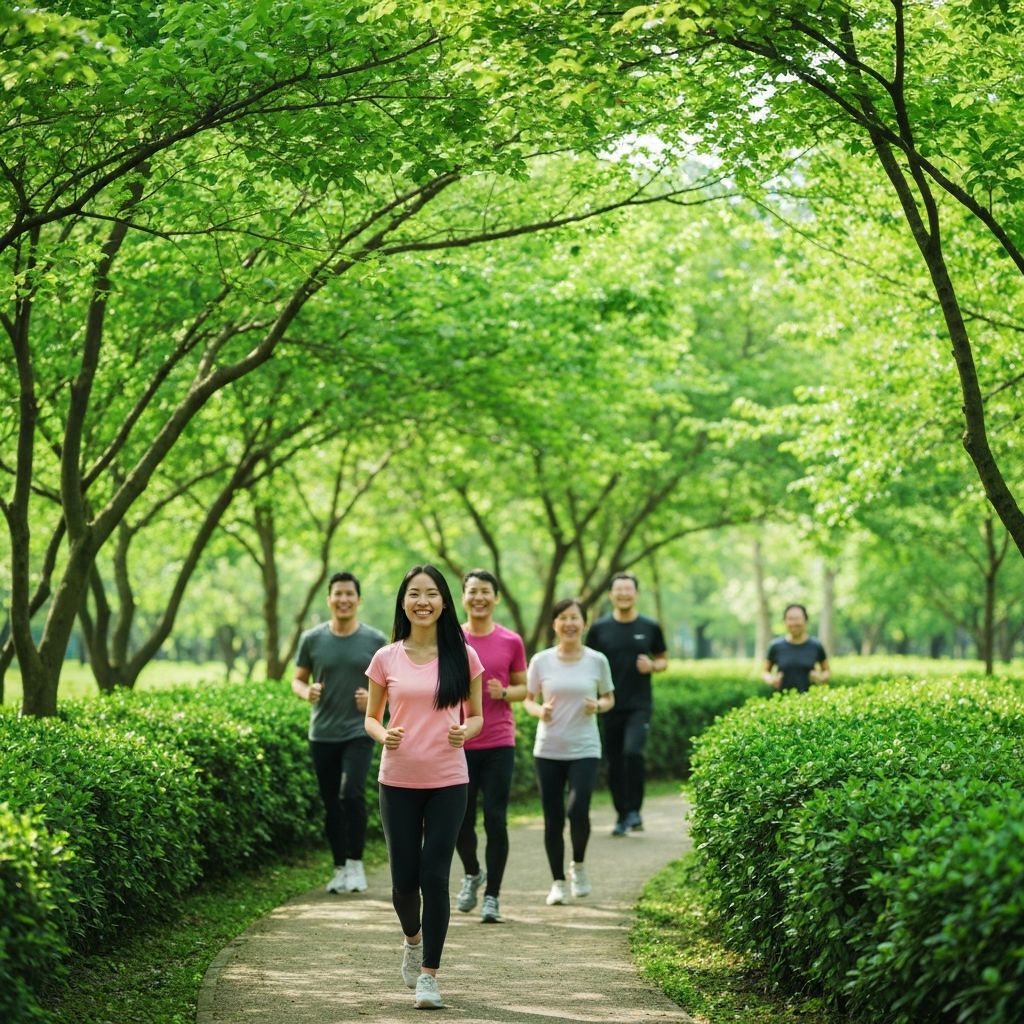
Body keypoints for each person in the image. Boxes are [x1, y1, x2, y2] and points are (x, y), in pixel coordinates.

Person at [364, 564, 484, 1010]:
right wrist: (383, 735)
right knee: (403, 881)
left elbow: (475, 717)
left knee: (435, 875)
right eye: (414, 593)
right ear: (403, 602)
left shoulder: (463, 656)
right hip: (396, 780)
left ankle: (430, 975)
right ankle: (412, 941)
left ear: (444, 603)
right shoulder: (386, 657)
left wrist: (465, 732)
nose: (423, 601)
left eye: (431, 594)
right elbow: (372, 718)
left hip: (449, 780)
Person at [292, 571, 386, 895]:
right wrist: (306, 692)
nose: (344, 599)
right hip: (322, 733)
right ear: (329, 599)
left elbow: (392, 683)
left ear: (358, 600)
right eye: (338, 594)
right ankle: (339, 868)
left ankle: (357, 864)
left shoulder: (375, 640)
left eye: (350, 594)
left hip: (359, 731)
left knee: (351, 793)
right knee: (331, 802)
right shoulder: (312, 639)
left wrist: (373, 700)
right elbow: (297, 679)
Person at [524, 598, 614, 906]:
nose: (569, 623)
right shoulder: (541, 660)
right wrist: (539, 711)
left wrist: (598, 706)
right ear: (555, 624)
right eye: (563, 617)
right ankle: (558, 882)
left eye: (575, 617)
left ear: (584, 623)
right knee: (552, 818)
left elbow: (608, 698)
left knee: (577, 810)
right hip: (548, 748)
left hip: (585, 747)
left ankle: (578, 865)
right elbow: (527, 699)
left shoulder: (597, 660)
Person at [454, 569, 528, 924]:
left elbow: (523, 689)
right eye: (472, 591)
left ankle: (493, 896)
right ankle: (472, 873)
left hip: (499, 741)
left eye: (485, 591)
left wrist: (504, 693)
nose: (479, 597)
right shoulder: (451, 639)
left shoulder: (511, 640)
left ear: (496, 598)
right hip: (460, 741)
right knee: (459, 821)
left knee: (496, 819)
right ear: (463, 597)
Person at [585, 573, 668, 837]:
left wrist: (653, 665)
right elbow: (587, 661)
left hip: (639, 704)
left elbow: (664, 659)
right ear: (611, 595)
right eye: (618, 590)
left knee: (633, 753)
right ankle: (622, 815)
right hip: (609, 704)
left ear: (636, 594)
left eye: (628, 589)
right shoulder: (599, 629)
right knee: (615, 761)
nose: (623, 594)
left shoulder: (650, 626)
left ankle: (635, 811)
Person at [763, 603, 831, 693]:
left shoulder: (816, 645)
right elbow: (765, 671)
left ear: (806, 621)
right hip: (782, 701)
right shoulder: (775, 646)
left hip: (809, 701)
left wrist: (821, 678)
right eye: (790, 619)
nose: (794, 623)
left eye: (797, 619)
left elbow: (827, 671)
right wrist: (771, 679)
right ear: (785, 622)